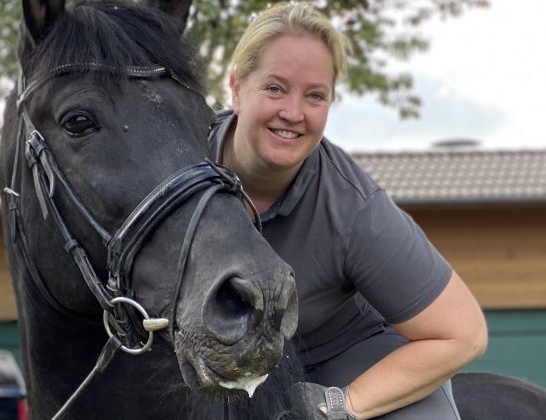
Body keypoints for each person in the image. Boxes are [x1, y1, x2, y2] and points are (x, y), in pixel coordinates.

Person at [207, 2, 488, 419]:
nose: (293, 113)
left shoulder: (354, 208)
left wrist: (343, 405)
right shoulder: (174, 158)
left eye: (315, 96)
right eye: (275, 88)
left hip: (339, 356)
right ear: (236, 89)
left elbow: (463, 334)